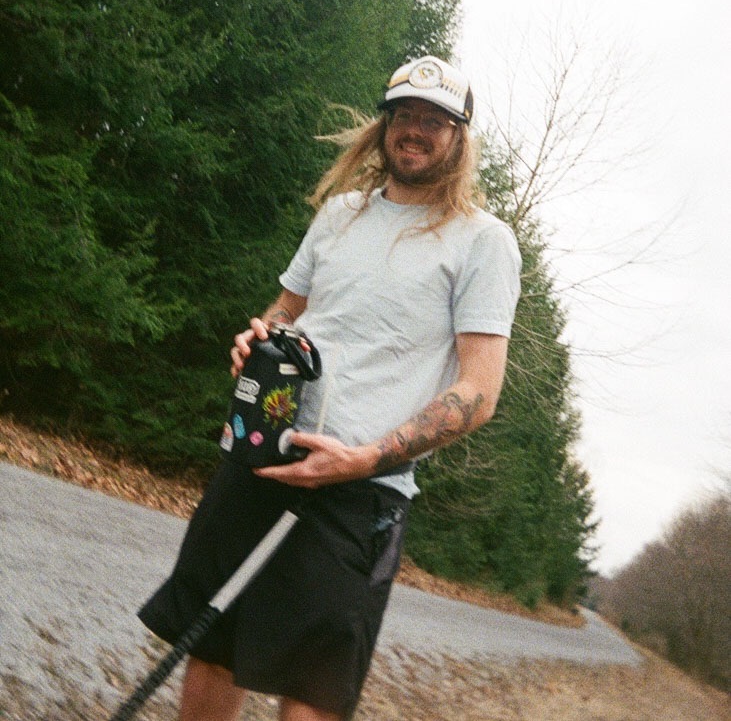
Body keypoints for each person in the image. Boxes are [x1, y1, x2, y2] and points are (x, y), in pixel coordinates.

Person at [138, 55, 522, 721]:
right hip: (264, 452)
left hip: (363, 492)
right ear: (384, 124)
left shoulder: (482, 242)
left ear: (459, 138)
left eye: (434, 120)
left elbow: (479, 391)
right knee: (211, 640)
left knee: (313, 686)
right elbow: (287, 311)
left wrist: (365, 458)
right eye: (403, 114)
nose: (415, 129)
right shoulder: (341, 213)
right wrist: (259, 339)